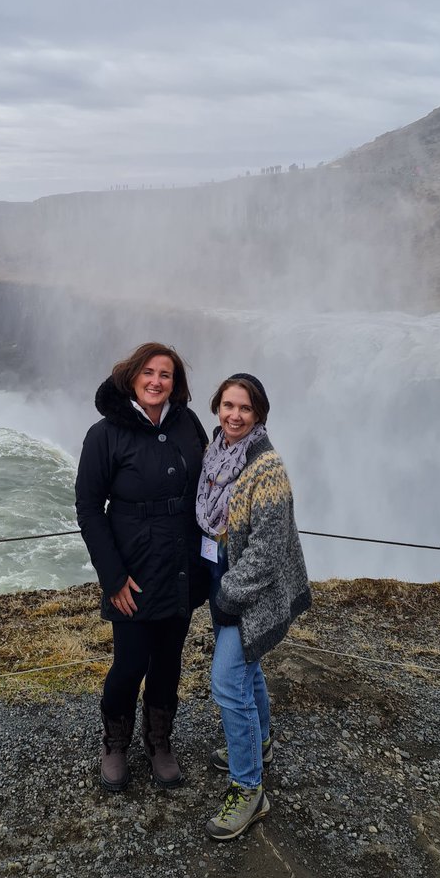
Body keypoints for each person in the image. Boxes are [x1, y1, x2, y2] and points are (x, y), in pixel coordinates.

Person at [75, 342, 210, 792]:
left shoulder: (187, 424)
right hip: (132, 569)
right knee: (130, 663)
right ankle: (115, 743)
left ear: (176, 383)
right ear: (132, 377)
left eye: (166, 374)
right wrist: (112, 577)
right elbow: (90, 508)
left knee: (168, 661)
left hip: (181, 565)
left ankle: (159, 741)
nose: (156, 381)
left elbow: (211, 484)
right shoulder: (105, 434)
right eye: (148, 372)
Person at [196, 373, 311, 840]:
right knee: (250, 670)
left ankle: (249, 790)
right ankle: (260, 744)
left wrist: (227, 597)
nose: (234, 415)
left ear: (259, 414)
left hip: (250, 595)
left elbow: (266, 550)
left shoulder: (267, 469)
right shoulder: (216, 449)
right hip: (224, 582)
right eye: (227, 405)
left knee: (227, 683)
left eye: (244, 408)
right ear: (217, 407)